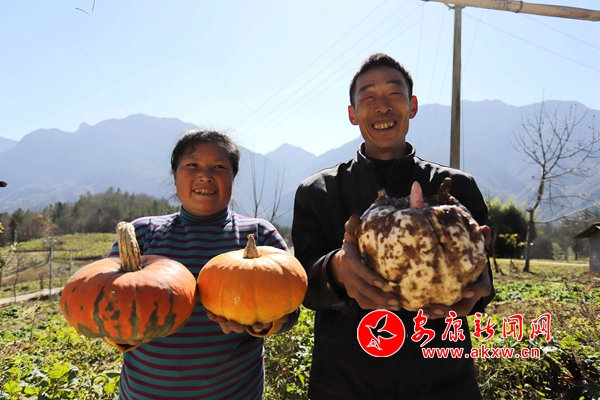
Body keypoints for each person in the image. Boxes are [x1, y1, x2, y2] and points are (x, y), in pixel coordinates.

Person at [292, 53, 494, 399]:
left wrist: (477, 289)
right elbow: (301, 286)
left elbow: (481, 282)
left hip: (443, 383)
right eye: (368, 96)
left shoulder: (457, 190)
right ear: (352, 114)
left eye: (395, 94)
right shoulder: (317, 192)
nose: (382, 106)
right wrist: (337, 269)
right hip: (342, 384)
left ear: (412, 106)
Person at [108, 129, 299, 399]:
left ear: (233, 176)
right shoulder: (141, 234)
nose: (205, 175)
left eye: (219, 167)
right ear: (175, 175)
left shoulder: (260, 237)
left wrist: (261, 323)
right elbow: (105, 304)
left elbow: (290, 310)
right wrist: (121, 333)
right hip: (145, 393)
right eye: (192, 165)